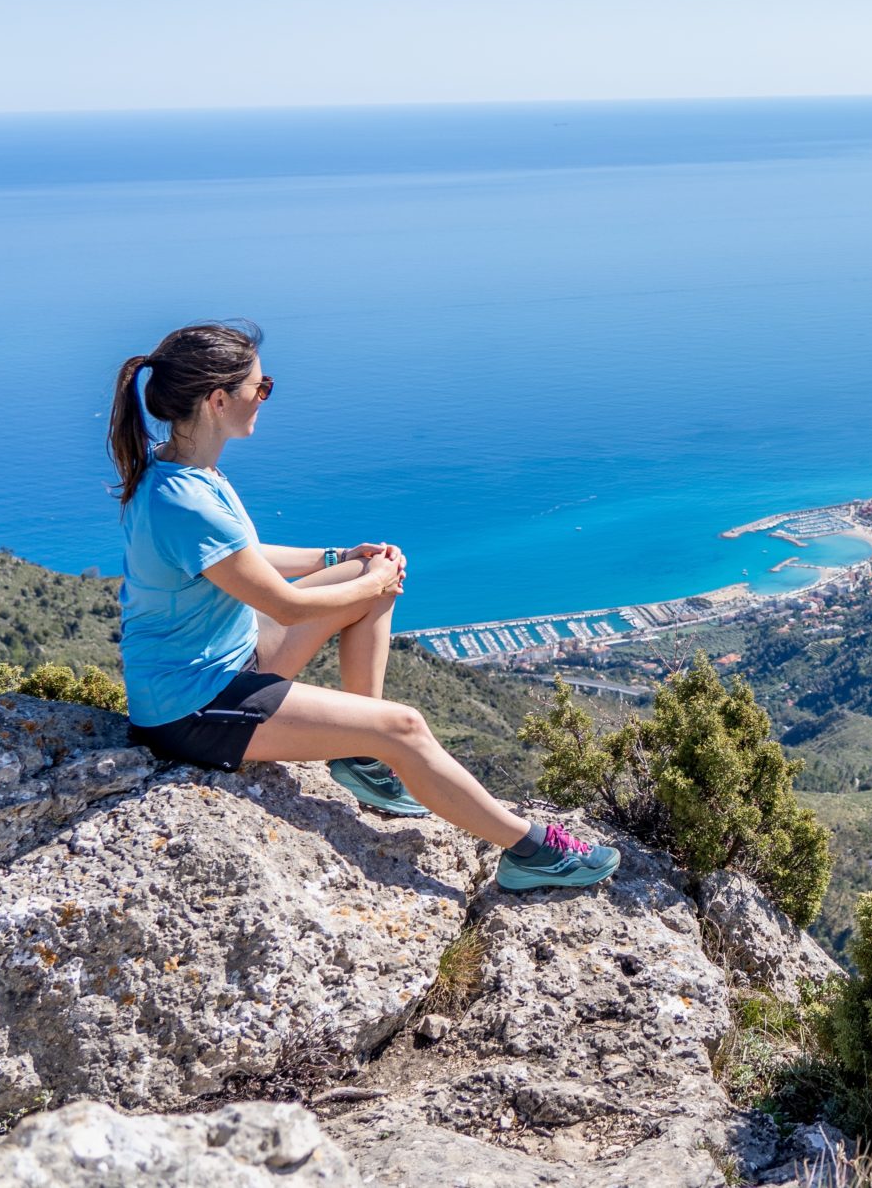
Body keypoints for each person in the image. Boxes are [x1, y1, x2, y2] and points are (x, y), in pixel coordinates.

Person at [106, 320, 616, 891]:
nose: (266, 397)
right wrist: (370, 583)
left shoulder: (183, 467)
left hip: (230, 658)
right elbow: (287, 606)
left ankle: (361, 759)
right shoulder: (185, 502)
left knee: (372, 580)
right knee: (404, 725)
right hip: (192, 708)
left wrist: (343, 558)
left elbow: (240, 554)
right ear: (218, 400)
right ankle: (532, 851)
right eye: (261, 387)